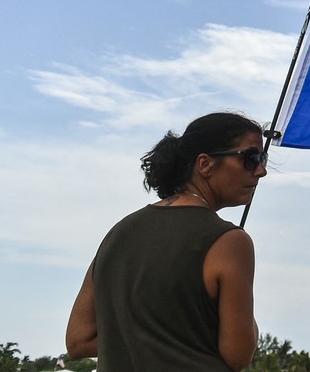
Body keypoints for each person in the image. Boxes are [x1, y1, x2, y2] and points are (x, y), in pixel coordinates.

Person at [65, 112, 269, 371]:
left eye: (262, 159)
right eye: (251, 158)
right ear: (205, 164)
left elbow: (78, 340)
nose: (261, 171)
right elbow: (238, 354)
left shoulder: (119, 233)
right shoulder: (230, 242)